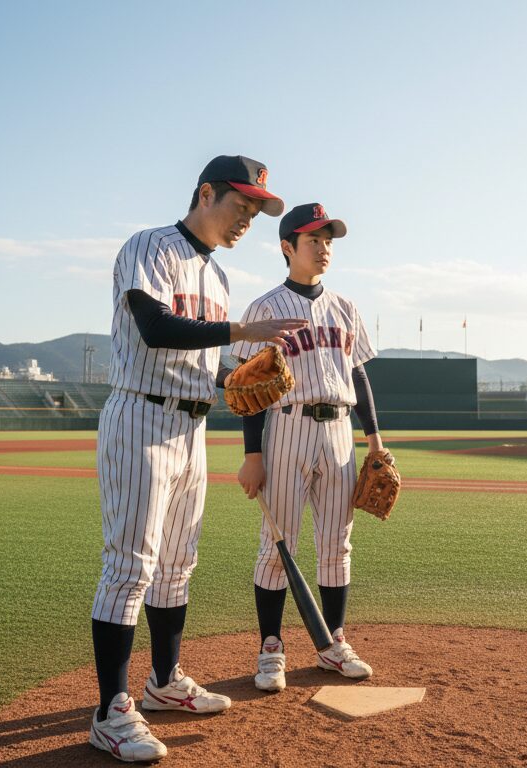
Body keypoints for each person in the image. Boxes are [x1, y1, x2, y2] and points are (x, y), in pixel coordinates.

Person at [88, 155, 307, 763]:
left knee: (177, 565)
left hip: (191, 427)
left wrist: (244, 376)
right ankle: (110, 711)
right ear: (205, 193)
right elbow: (155, 327)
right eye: (240, 206)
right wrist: (241, 335)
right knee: (130, 566)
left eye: (255, 212)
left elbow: (210, 370)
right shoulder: (149, 246)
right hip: (141, 417)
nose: (246, 221)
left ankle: (163, 682)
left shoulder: (220, 278)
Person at [228, 202, 385, 693]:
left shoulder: (346, 307)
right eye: (314, 240)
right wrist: (253, 454)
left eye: (329, 241)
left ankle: (333, 643)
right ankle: (271, 648)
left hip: (338, 431)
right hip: (287, 429)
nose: (324, 248)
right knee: (279, 546)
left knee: (337, 545)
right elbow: (245, 387)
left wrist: (375, 439)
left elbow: (358, 374)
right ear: (287, 247)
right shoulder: (264, 309)